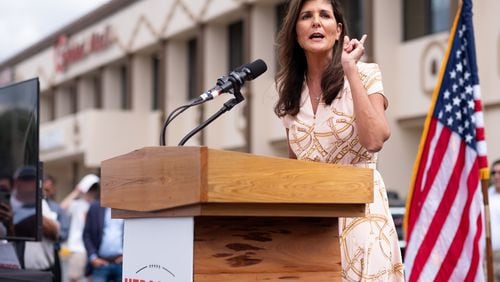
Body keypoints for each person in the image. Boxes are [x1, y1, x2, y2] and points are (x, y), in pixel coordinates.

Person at [274, 0, 403, 280]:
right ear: (296, 32)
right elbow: (294, 165)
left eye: (325, 16)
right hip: (313, 220)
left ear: (338, 29)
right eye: (306, 16)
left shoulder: (366, 73)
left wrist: (350, 70)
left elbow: (374, 140)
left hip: (361, 212)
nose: (316, 22)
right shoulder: (288, 89)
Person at [82, 177, 124, 282]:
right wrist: (93, 257)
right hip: (101, 262)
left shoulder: (127, 208)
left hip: (122, 262)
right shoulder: (95, 207)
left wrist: (127, 255)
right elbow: (86, 234)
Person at [60, 174, 100, 282]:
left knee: (91, 278)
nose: (92, 191)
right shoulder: (77, 204)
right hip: (78, 248)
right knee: (74, 278)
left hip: (94, 248)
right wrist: (76, 191)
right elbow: (61, 209)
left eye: (95, 188)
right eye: (90, 188)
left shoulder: (98, 205)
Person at [488, 159, 500, 281]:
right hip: (489, 256)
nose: (496, 176)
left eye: (499, 173)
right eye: (494, 173)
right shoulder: (485, 198)